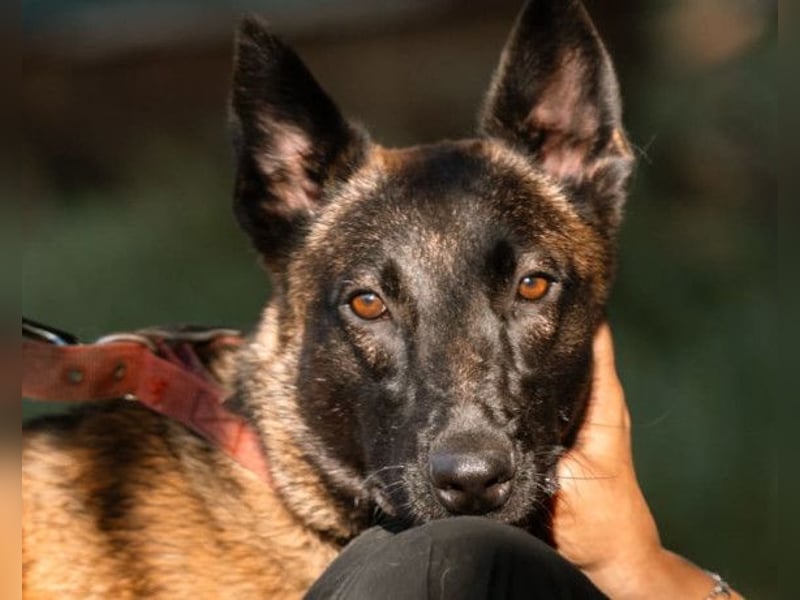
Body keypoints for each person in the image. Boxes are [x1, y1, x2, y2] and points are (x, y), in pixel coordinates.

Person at [306, 324, 742, 599]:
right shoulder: (432, 564)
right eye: (369, 306)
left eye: (531, 289)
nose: (471, 462)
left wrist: (632, 565)